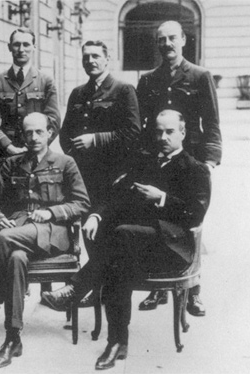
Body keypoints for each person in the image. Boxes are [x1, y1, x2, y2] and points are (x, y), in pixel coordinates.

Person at [42, 109, 211, 370]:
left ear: (183, 133)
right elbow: (116, 195)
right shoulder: (145, 162)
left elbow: (195, 214)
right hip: (134, 247)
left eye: (169, 132)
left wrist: (162, 198)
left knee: (121, 237)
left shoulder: (195, 169)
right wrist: (96, 215)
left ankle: (77, 288)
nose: (163, 137)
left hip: (172, 250)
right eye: (157, 131)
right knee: (117, 260)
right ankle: (117, 343)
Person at [0, 112, 90, 368]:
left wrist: (51, 212)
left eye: (39, 132)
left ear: (49, 133)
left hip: (54, 232)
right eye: (28, 133)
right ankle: (13, 338)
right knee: (16, 258)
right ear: (22, 135)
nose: (33, 137)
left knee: (3, 239)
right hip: (20, 231)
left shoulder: (66, 162)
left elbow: (82, 203)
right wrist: (0, 217)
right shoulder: (12, 163)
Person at [136, 20, 221, 316]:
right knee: (156, 216)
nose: (167, 44)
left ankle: (193, 288)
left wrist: (209, 161)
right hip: (157, 159)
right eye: (162, 40)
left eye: (173, 38)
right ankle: (158, 285)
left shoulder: (199, 76)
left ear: (184, 40)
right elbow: (142, 124)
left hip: (190, 160)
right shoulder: (148, 79)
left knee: (191, 223)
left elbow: (211, 123)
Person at [59, 40, 141, 306]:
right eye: (86, 57)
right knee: (89, 232)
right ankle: (96, 288)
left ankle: (105, 289)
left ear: (108, 59)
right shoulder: (78, 93)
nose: (90, 61)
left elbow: (132, 133)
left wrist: (96, 139)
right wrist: (72, 161)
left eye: (96, 56)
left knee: (107, 232)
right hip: (84, 177)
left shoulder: (123, 90)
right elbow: (65, 135)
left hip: (113, 176)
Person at [0, 27, 61, 181]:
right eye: (16, 45)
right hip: (3, 155)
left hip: (37, 156)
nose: (21, 49)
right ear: (9, 47)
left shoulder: (46, 81)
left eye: (26, 45)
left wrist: (36, 145)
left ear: (34, 48)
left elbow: (54, 120)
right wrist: (8, 146)